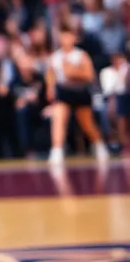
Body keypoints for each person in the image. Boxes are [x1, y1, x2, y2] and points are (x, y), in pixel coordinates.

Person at [45, 24, 109, 167]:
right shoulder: (56, 56)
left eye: (69, 36)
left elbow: (89, 75)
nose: (66, 39)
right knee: (59, 118)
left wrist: (73, 72)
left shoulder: (80, 55)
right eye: (63, 36)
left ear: (74, 38)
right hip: (64, 92)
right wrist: (50, 87)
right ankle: (56, 150)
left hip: (80, 92)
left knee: (86, 123)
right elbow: (50, 73)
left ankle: (99, 145)